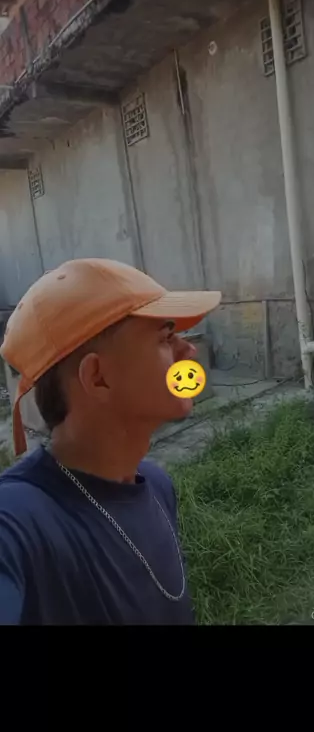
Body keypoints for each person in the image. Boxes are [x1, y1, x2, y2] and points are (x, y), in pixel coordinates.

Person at [0, 258, 221, 625]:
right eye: (165, 338)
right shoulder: (18, 520)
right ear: (98, 377)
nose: (188, 351)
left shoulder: (157, 486)